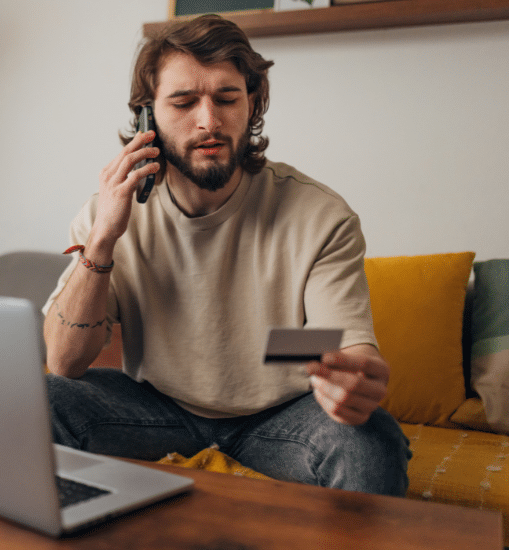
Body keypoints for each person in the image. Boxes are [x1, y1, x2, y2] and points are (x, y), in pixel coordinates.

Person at [42, 14, 410, 496]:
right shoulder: (110, 214)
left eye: (226, 98)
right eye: (183, 101)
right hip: (157, 409)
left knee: (371, 438)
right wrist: (103, 241)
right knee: (39, 401)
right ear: (146, 116)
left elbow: (344, 346)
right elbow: (65, 362)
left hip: (282, 418)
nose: (209, 121)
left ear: (252, 104)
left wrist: (353, 376)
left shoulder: (320, 216)